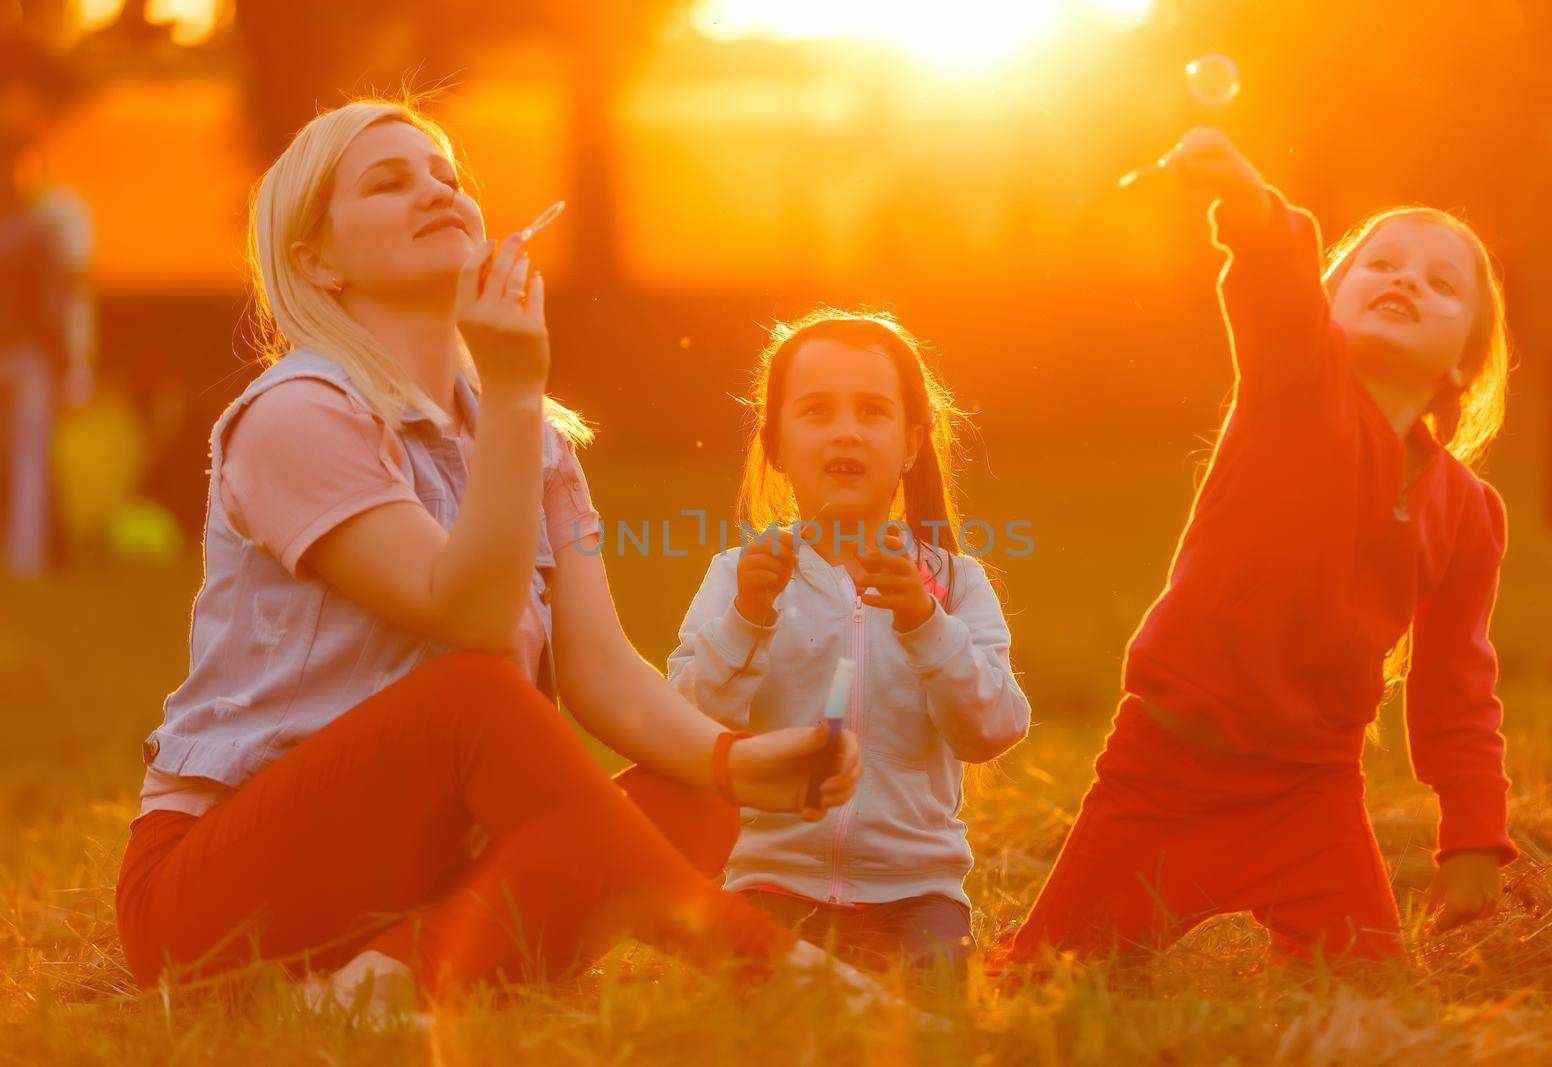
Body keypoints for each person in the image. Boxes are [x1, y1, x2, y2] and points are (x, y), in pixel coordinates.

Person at [114, 99, 883, 1014]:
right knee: (475, 692)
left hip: (419, 868)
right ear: (316, 258)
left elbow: (602, 672)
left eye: (444, 176)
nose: (434, 190)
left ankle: (379, 983)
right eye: (389, 182)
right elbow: (468, 616)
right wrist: (517, 386)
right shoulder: (298, 414)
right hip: (217, 890)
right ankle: (779, 971)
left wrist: (734, 760)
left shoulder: (537, 442)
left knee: (695, 797)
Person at [994, 127, 1516, 968]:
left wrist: (1474, 837)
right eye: (1380, 266)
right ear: (1329, 306)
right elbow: (1275, 286)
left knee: (1368, 993)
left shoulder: (1468, 512)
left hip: (1310, 794)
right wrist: (1249, 209)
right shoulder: (1294, 382)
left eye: (1440, 283)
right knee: (1049, 976)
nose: (1406, 281)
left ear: (1464, 362)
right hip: (1165, 769)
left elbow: (1457, 683)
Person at [669, 309, 1030, 971]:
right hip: (770, 880)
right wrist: (748, 616)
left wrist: (926, 626)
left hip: (916, 893)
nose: (845, 432)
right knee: (755, 998)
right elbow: (688, 718)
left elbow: (995, 727)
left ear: (912, 443)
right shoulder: (740, 577)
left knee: (929, 1009)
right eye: (816, 411)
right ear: (775, 444)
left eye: (871, 411)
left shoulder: (951, 583)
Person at [0, 32, 93, 577]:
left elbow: (58, 301)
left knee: (30, 461)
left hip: (27, 353)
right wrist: (69, 362)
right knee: (29, 462)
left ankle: (28, 560)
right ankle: (27, 561)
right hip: (28, 352)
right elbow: (58, 301)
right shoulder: (42, 229)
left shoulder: (41, 228)